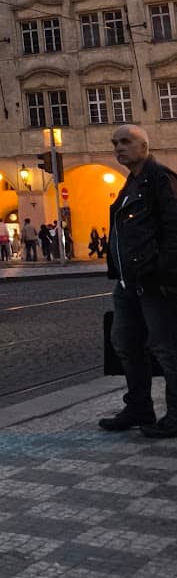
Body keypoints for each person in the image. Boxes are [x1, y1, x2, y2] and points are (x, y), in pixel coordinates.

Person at [99, 125, 177, 437]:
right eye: (115, 143)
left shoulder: (160, 178)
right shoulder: (131, 182)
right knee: (125, 342)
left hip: (154, 280)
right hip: (129, 282)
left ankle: (175, 415)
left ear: (144, 146)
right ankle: (139, 406)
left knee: (166, 348)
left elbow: (174, 229)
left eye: (126, 141)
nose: (119, 147)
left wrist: (164, 271)